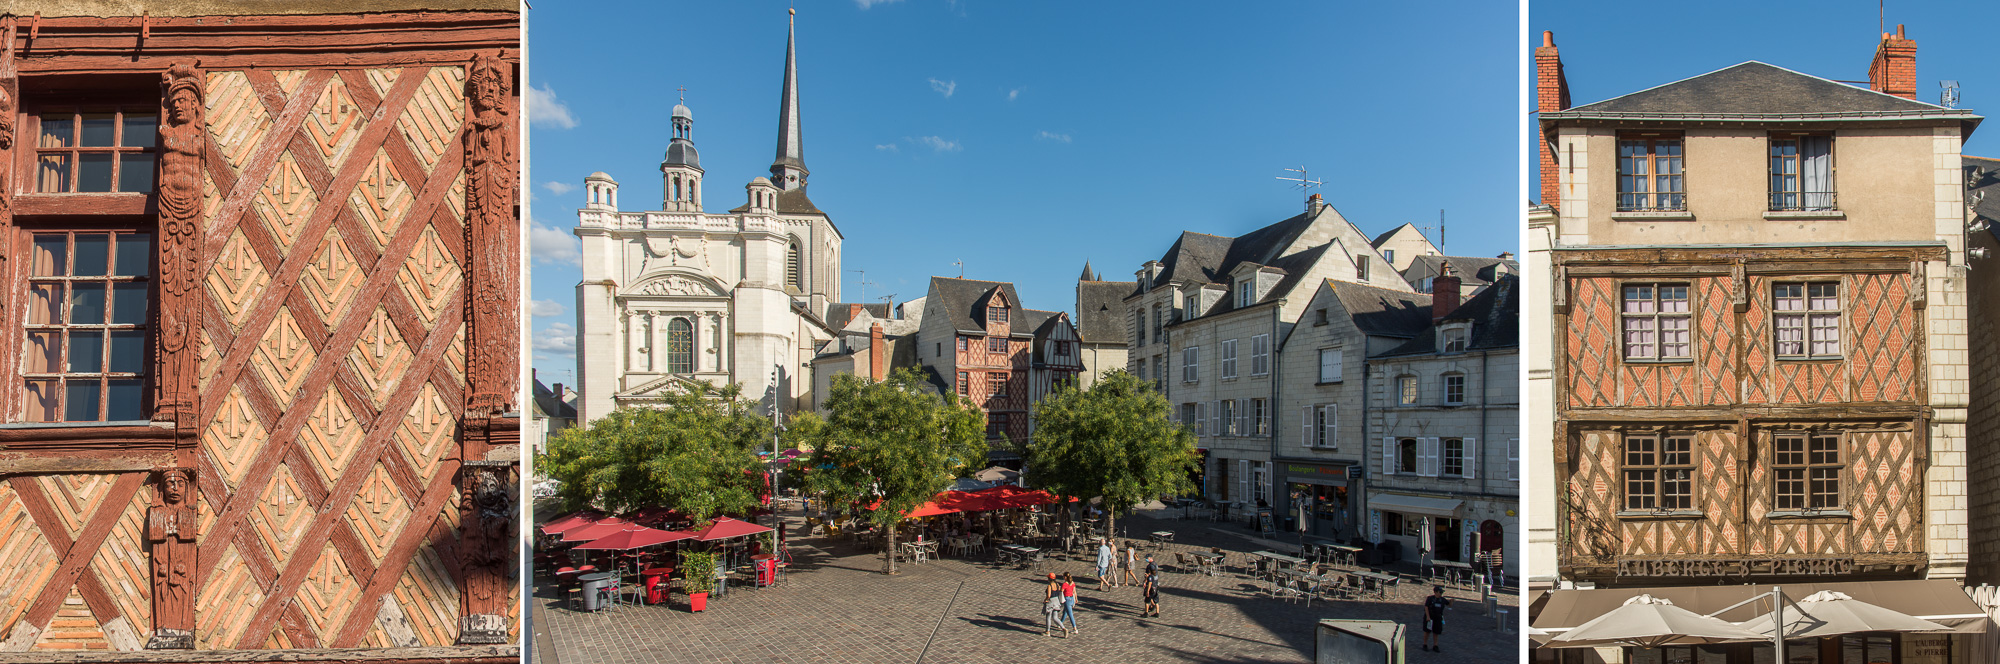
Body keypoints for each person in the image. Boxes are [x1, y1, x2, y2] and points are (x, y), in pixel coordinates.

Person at [1421, 586, 1449, 652]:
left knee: (1436, 632)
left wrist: (1452, 601)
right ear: (1435, 592)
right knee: (1427, 631)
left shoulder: (1442, 600)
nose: (1441, 593)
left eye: (1442, 592)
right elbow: (1426, 607)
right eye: (1440, 592)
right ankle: (1425, 644)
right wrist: (1427, 616)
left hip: (1438, 617)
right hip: (1430, 617)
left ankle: (1435, 645)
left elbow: (1449, 604)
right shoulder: (1430, 598)